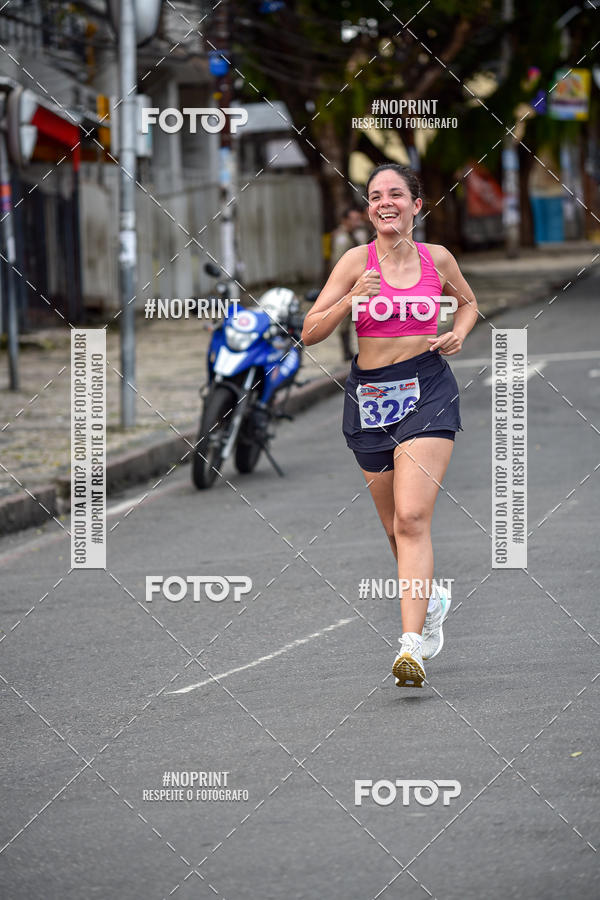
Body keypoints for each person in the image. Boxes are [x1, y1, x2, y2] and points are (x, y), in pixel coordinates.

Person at [301, 164, 479, 687]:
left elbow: (468, 304)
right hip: (369, 397)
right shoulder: (356, 261)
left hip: (427, 388)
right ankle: (434, 598)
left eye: (396, 194)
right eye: (376, 195)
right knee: (392, 529)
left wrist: (458, 333)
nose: (385, 202)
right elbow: (310, 332)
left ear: (416, 205)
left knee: (410, 518)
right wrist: (353, 296)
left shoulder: (436, 259)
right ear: (369, 208)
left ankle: (411, 646)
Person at [330, 208, 365, 360]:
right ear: (345, 220)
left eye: (358, 219)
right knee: (344, 319)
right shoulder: (341, 238)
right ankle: (346, 352)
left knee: (362, 317)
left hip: (360, 284)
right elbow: (338, 262)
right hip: (346, 285)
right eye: (353, 219)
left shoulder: (359, 234)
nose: (357, 222)